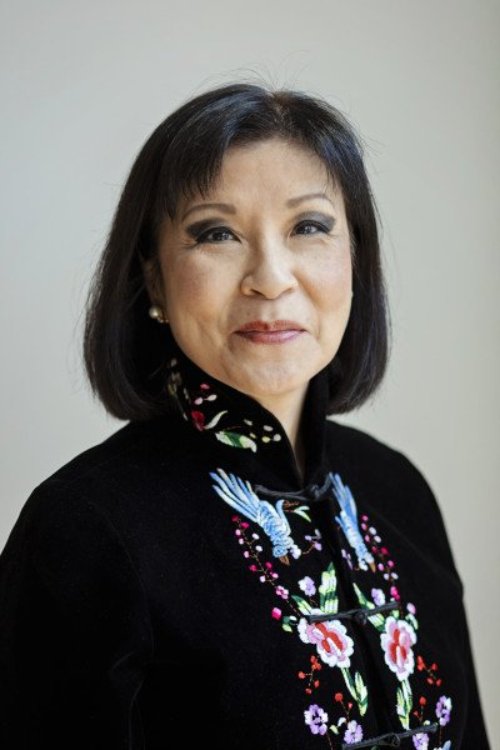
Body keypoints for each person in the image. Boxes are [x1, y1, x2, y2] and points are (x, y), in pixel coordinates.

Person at [0, 82, 491, 750]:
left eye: (309, 227)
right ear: (154, 280)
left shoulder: (397, 491)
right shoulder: (84, 529)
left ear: (357, 262)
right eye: (217, 233)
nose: (271, 277)